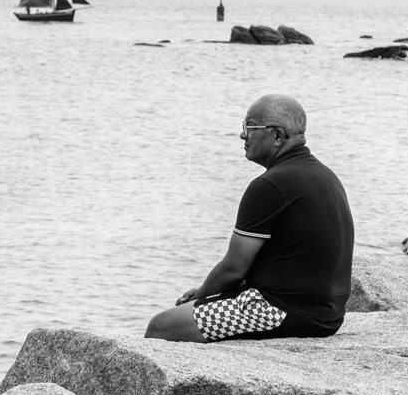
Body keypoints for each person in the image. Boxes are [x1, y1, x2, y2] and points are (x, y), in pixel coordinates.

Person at [145, 94, 354, 343]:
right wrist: (208, 295)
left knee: (160, 327)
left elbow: (234, 269)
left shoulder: (270, 185)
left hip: (280, 311)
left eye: (250, 128)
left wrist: (200, 297)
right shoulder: (325, 176)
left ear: (277, 135)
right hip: (327, 315)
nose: (243, 135)